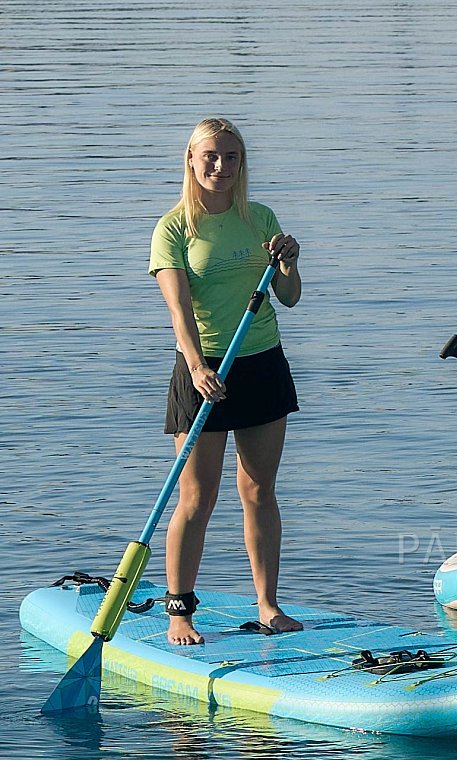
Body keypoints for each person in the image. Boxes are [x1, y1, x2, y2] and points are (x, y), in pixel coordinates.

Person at [149, 117, 304, 644]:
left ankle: (268, 605)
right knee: (197, 496)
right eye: (210, 156)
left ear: (242, 164)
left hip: (261, 361)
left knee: (260, 490)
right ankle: (179, 612)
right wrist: (196, 367)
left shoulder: (260, 218)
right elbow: (179, 309)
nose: (220, 166)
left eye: (231, 157)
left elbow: (290, 297)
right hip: (205, 366)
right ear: (191, 161)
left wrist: (288, 263)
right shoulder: (174, 228)